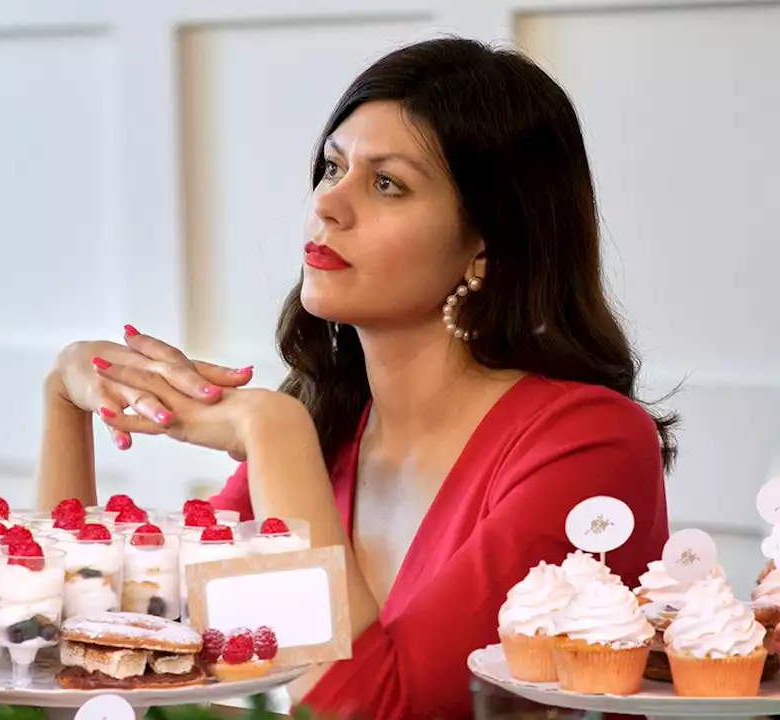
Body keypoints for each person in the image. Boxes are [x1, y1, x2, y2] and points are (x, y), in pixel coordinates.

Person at [36, 37, 674, 719]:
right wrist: (65, 398)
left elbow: (367, 710)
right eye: (332, 167)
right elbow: (100, 654)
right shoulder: (329, 431)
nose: (328, 205)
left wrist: (271, 428)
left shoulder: (590, 446)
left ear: (485, 244)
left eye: (387, 183)